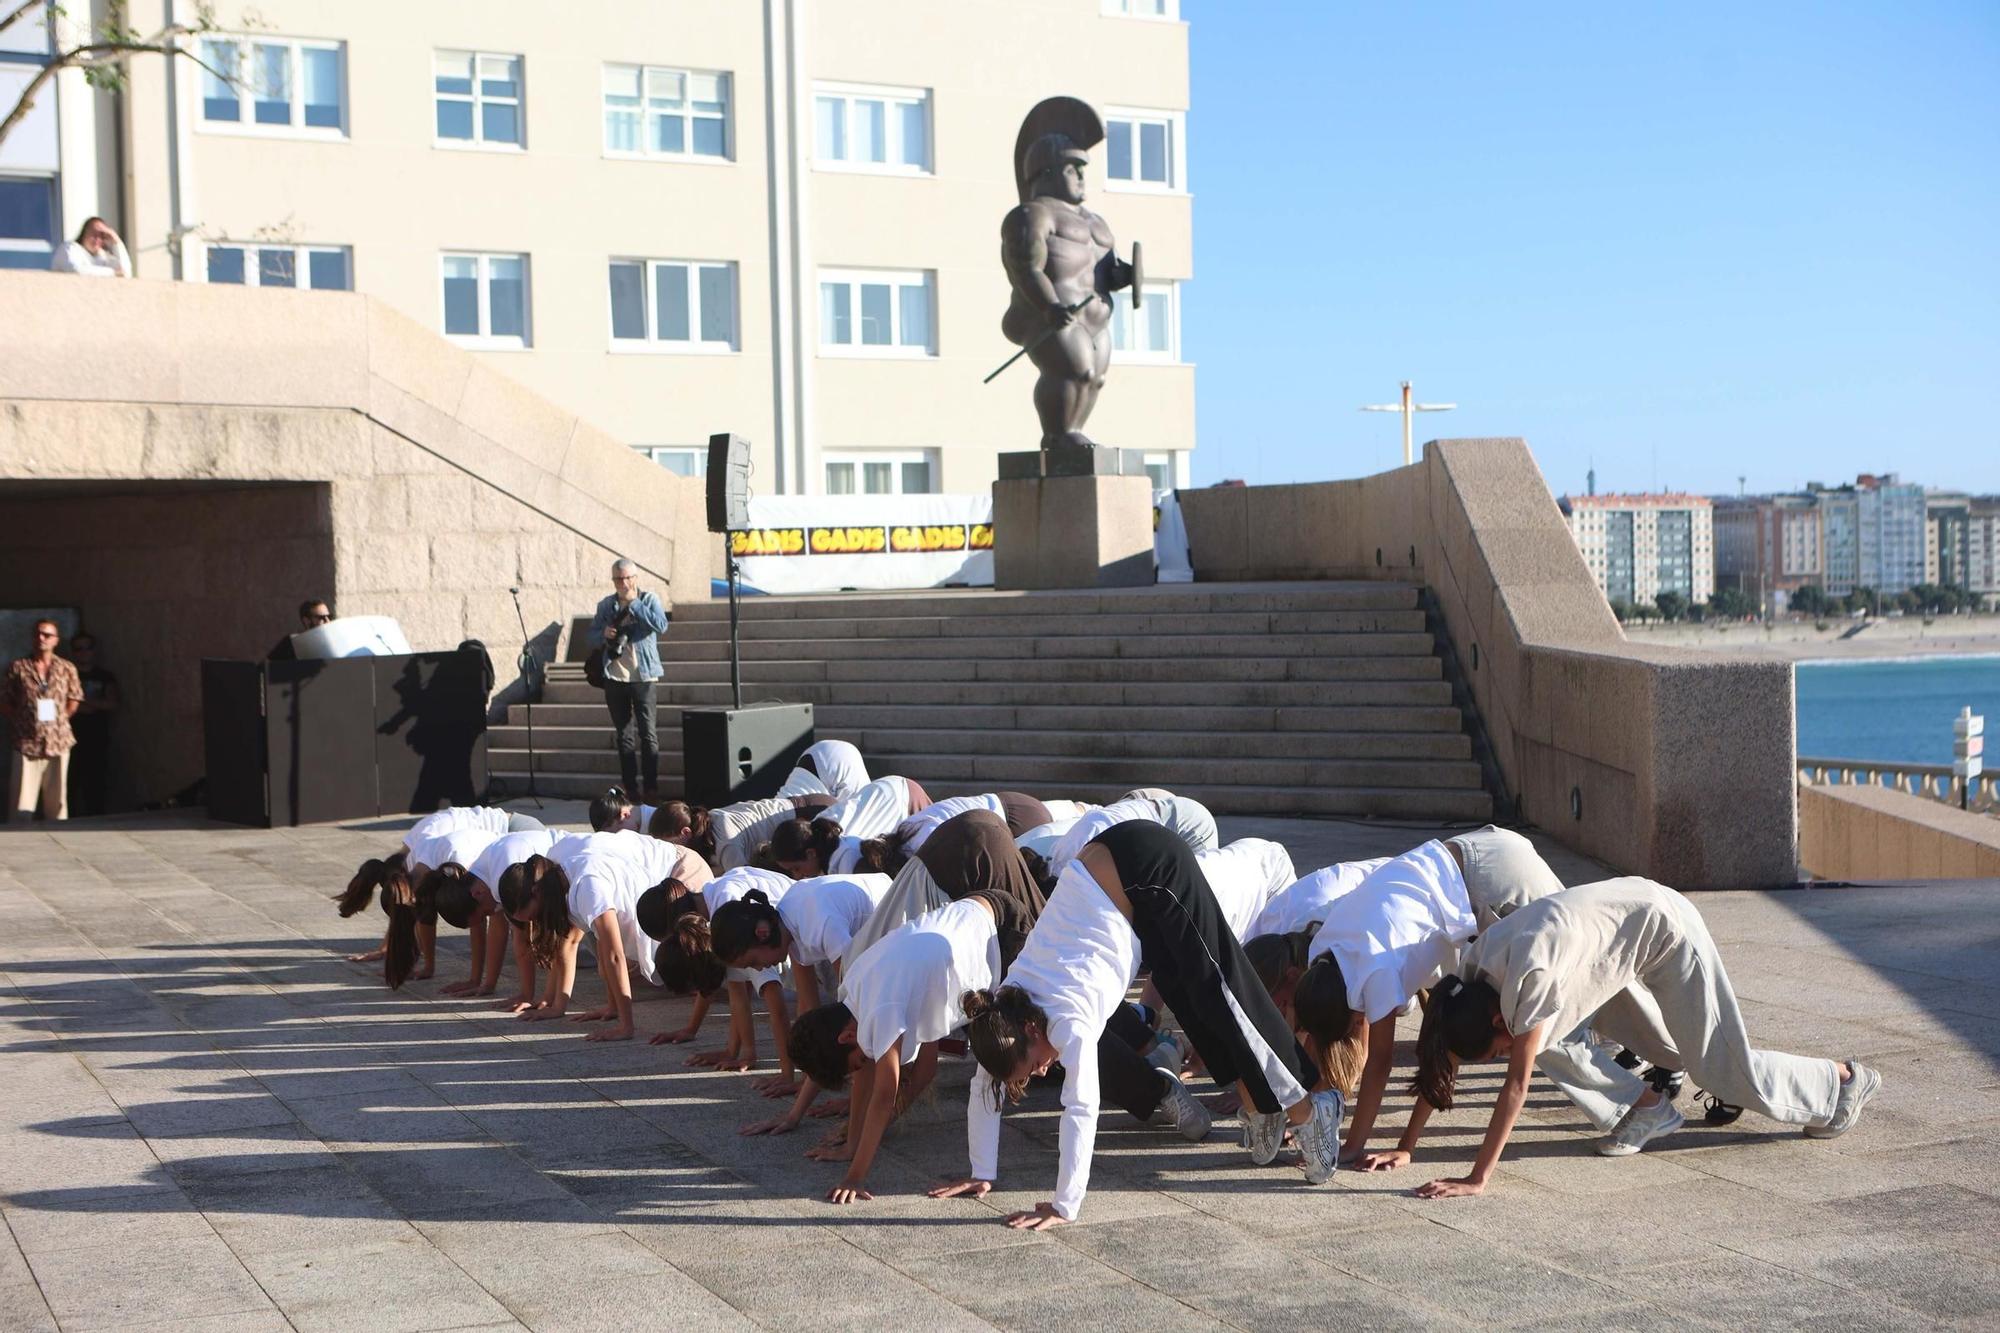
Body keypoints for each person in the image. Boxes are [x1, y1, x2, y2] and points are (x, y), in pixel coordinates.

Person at [930, 822, 1344, 1230]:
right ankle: (1263, 1103)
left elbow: (1080, 1109)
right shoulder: (1005, 1011)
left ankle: (1310, 1110)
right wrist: (981, 1170)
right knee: (1191, 997)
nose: (1042, 1072)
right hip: (1116, 877)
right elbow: (986, 1082)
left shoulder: (1067, 1021)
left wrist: (1063, 1206)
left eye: (1034, 1065)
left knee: (1223, 989)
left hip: (1147, 867)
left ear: (1033, 1032)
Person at [1406, 877, 1882, 1199]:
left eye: (1500, 1047)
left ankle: (1841, 1082)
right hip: (1614, 942)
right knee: (1669, 1053)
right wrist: (1407, 1146)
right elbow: (1441, 1049)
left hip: (1668, 930)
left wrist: (1477, 1178)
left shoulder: (1529, 976)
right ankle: (1651, 1105)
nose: (1506, 1053)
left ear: (1496, 1021)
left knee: (1718, 1068)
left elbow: (1516, 1085)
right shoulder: (1467, 982)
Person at [590, 558, 670, 803]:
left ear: (635, 578)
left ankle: (651, 787)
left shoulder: (649, 600)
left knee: (648, 733)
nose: (623, 583)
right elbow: (591, 636)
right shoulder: (606, 605)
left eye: (627, 578)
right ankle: (631, 787)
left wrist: (635, 605)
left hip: (643, 674)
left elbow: (661, 625)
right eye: (618, 579)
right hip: (615, 675)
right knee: (624, 734)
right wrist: (603, 633)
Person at [4, 619, 83, 823]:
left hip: (58, 741)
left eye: (47, 635)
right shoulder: (18, 667)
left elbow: (74, 699)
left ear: (56, 640)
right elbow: (4, 700)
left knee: (57, 802)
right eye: (38, 634)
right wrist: (21, 720)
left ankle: (59, 838)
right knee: (21, 802)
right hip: (26, 742)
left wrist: (59, 720)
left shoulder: (67, 668)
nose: (41, 638)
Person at [65, 632, 119, 816]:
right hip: (70, 738)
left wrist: (81, 701)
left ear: (94, 650)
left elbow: (112, 703)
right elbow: (61, 704)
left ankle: (96, 819)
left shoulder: (104, 676)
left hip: (97, 737)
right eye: (78, 648)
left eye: (87, 647)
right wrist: (87, 705)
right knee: (69, 783)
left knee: (96, 783)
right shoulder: (65, 675)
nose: (83, 652)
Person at [51, 217, 131, 277]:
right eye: (93, 234)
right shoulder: (69, 248)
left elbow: (126, 273)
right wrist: (112, 273)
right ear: (84, 233)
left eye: (101, 236)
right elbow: (75, 270)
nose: (97, 239)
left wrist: (116, 242)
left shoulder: (103, 257)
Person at [269, 598, 333, 661]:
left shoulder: (333, 643)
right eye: (321, 618)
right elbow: (266, 667)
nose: (327, 621)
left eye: (329, 617)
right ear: (307, 621)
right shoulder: (291, 644)